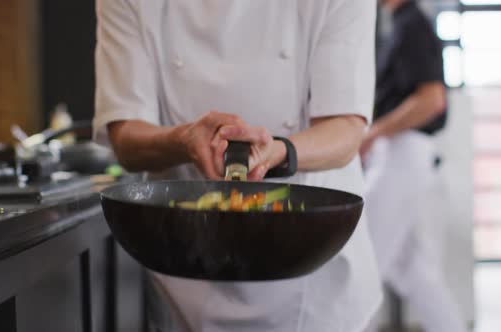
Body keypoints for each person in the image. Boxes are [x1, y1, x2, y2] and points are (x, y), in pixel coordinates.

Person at [93, 1, 382, 331]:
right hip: (185, 269)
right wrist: (184, 139)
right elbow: (127, 139)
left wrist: (279, 151)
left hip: (313, 272)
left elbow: (345, 130)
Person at [361, 0, 467, 331]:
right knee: (412, 270)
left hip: (402, 155)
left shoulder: (412, 24)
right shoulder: (401, 24)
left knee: (363, 262)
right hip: (400, 155)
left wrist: (372, 133)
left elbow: (431, 100)